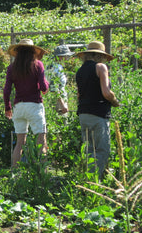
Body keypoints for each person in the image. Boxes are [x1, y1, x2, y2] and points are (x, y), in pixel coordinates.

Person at [75, 41, 120, 180]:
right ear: (100, 56)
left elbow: (78, 95)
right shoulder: (101, 67)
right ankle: (95, 182)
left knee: (88, 150)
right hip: (98, 113)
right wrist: (115, 101)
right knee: (102, 150)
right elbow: (106, 92)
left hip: (83, 113)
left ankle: (86, 181)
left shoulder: (80, 70)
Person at [3, 38, 49, 168]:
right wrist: (47, 83)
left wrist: (8, 108)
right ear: (32, 51)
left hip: (19, 107)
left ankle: (14, 173)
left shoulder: (12, 68)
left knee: (20, 143)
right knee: (41, 141)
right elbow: (43, 88)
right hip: (34, 105)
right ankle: (41, 174)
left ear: (17, 52)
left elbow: (6, 91)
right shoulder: (38, 64)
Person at [46, 45, 73, 114]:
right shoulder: (57, 68)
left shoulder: (50, 66)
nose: (67, 59)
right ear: (60, 57)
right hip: (58, 102)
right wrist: (62, 104)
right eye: (66, 56)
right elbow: (54, 87)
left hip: (52, 100)